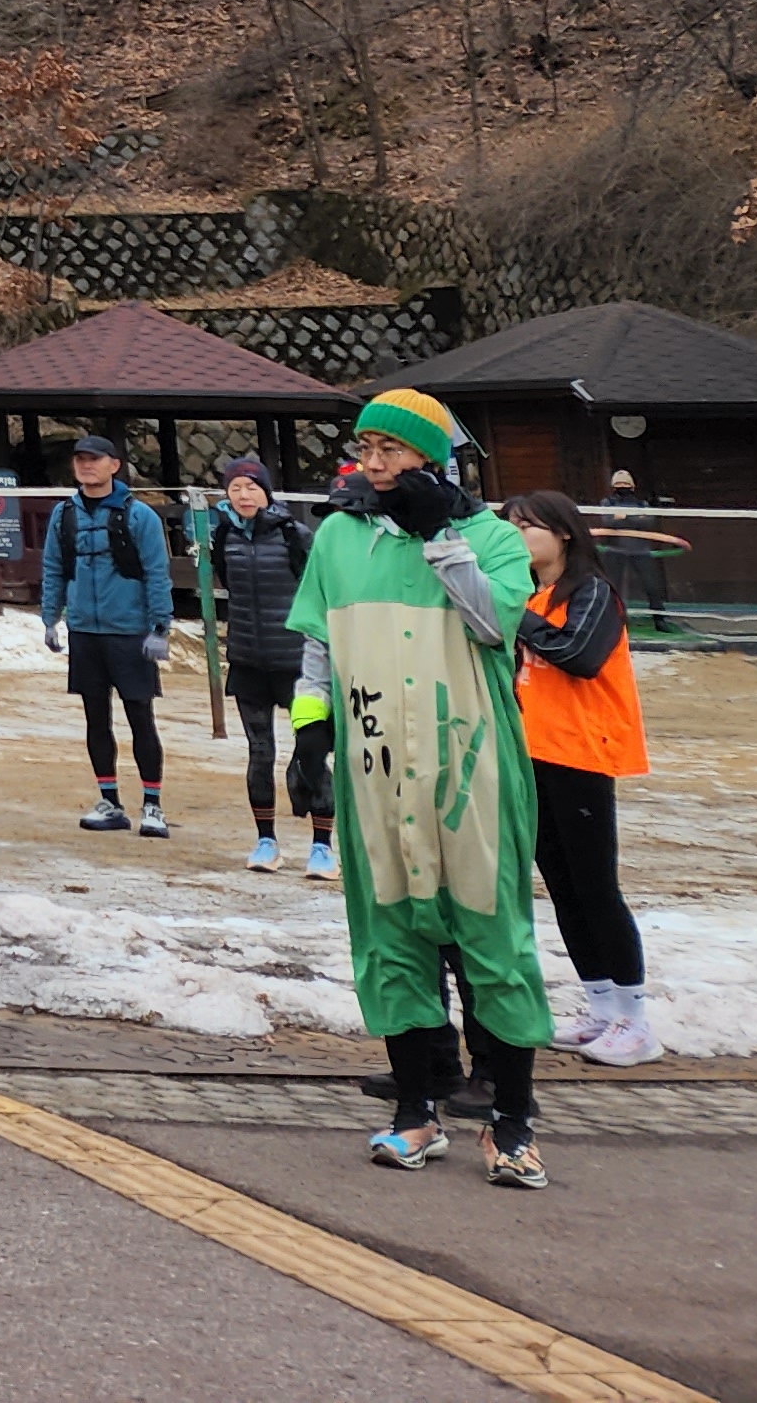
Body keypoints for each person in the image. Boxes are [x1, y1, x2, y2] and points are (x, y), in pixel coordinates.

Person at [288, 388, 555, 1188]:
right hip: (377, 771)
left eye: (391, 449)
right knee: (390, 938)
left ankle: (512, 1121)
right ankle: (415, 1111)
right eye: (364, 448)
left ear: (431, 457)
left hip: (472, 773)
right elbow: (319, 649)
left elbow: (491, 625)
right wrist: (310, 736)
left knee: (493, 940)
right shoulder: (338, 537)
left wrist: (441, 536)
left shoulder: (491, 539)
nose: (373, 464)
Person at [511, 488, 661, 1068]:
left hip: (582, 755)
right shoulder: (532, 594)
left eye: (527, 527)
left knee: (597, 888)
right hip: (534, 754)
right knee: (563, 886)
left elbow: (579, 655)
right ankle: (599, 1005)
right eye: (511, 527)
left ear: (563, 533)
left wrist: (514, 615)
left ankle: (635, 1020)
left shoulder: (592, 592)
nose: (518, 538)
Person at [39, 430, 176, 837]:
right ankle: (110, 800)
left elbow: (156, 572)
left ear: (114, 465)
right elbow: (54, 567)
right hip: (85, 630)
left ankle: (152, 804)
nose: (86, 466)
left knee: (140, 717)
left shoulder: (141, 516)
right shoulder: (64, 514)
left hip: (130, 631)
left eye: (95, 459)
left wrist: (160, 626)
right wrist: (50, 618)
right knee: (95, 718)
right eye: (80, 459)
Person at [194, 457, 322, 877]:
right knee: (260, 752)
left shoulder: (294, 534)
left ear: (266, 492)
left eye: (251, 487)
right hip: (248, 660)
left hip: (297, 663)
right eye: (235, 489)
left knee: (311, 751)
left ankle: (323, 846)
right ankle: (266, 841)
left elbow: (316, 590)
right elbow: (225, 582)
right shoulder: (224, 535)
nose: (243, 495)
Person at [592, 472, 676, 632]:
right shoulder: (607, 503)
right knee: (612, 587)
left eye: (625, 485)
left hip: (640, 551)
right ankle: (611, 620)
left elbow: (649, 522)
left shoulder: (641, 504)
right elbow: (608, 521)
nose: (622, 487)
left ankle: (659, 619)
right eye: (619, 485)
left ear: (632, 487)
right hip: (615, 550)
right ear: (613, 487)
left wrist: (623, 517)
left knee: (651, 586)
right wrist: (635, 518)